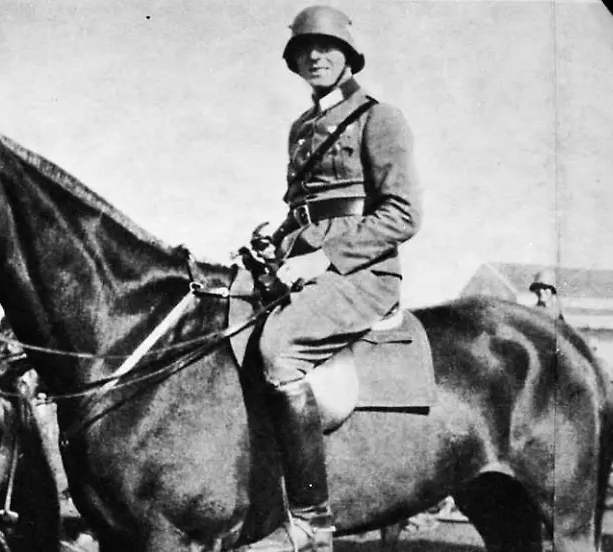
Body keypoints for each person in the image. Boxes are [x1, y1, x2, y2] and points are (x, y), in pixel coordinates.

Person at [244, 6, 422, 552]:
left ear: (348, 56)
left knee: (279, 348)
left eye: (326, 47)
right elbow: (307, 208)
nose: (315, 56)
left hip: (362, 273)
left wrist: (323, 260)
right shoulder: (302, 128)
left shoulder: (379, 117)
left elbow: (402, 215)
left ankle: (310, 521)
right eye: (305, 49)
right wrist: (271, 242)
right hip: (300, 262)